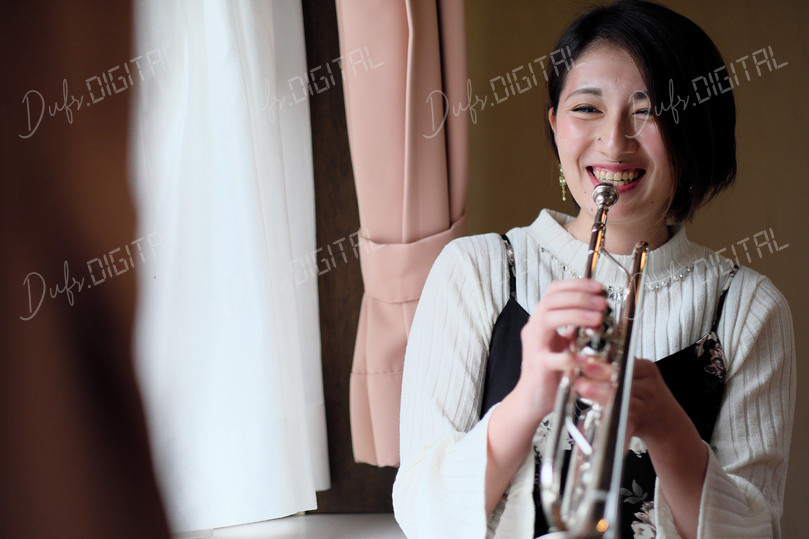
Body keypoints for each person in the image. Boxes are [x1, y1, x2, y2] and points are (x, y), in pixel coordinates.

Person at [392, 1, 795, 538]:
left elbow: (757, 531)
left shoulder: (748, 307)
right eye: (586, 108)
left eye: (648, 110)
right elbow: (422, 516)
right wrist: (529, 397)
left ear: (694, 131)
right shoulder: (475, 271)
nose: (613, 141)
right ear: (555, 124)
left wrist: (669, 431)